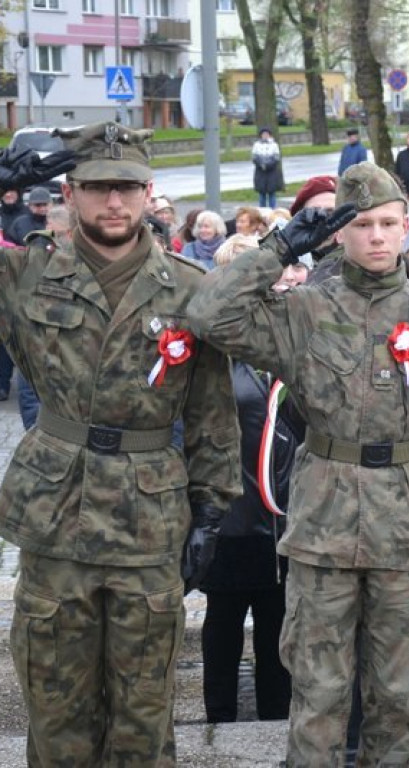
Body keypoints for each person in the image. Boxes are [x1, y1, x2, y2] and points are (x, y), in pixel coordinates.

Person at [188, 162, 409, 764]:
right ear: (339, 234)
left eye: (388, 224)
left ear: (406, 227)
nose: (376, 236)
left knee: (400, 693)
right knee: (318, 690)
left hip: (405, 525)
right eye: (363, 225)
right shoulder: (304, 310)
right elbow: (209, 315)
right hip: (324, 523)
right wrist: (278, 248)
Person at [0, 121, 240, 765]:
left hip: (149, 519)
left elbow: (213, 411)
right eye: (98, 187)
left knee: (144, 713)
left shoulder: (189, 289)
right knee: (55, 713)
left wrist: (212, 509)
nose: (114, 202)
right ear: (70, 194)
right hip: (57, 516)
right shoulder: (27, 274)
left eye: (127, 188)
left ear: (148, 192)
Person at [199, 234, 305, 725]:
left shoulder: (288, 340)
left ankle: (275, 721)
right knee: (222, 625)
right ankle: (219, 719)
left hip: (285, 517)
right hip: (233, 514)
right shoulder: (213, 351)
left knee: (277, 629)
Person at [252, 127, 285, 209]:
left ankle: (272, 209)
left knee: (272, 192)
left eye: (267, 134)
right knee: (262, 193)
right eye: (263, 134)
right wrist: (261, 165)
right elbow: (254, 158)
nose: (265, 136)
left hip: (271, 172)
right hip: (260, 172)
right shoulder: (256, 145)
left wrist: (268, 165)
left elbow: (276, 158)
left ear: (269, 135)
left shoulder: (274, 145)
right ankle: (262, 209)